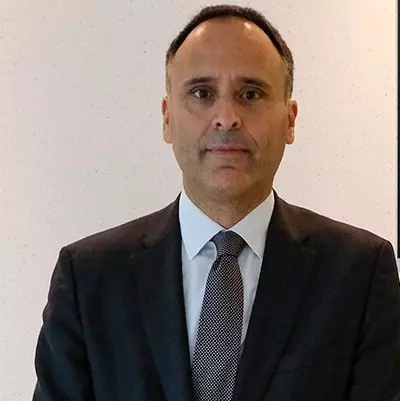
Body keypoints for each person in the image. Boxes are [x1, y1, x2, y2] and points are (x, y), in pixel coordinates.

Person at [33, 4, 400, 401]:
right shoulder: (89, 279)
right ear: (167, 118)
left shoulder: (360, 275)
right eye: (202, 93)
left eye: (251, 94)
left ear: (290, 119)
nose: (226, 117)